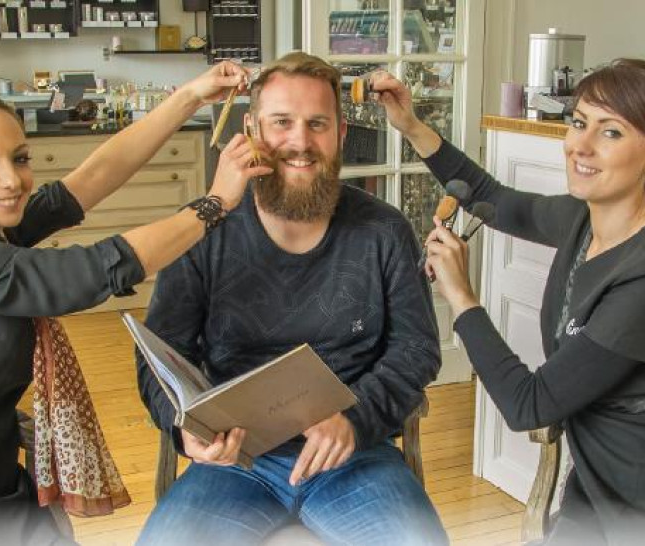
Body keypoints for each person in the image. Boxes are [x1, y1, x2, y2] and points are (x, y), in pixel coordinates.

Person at [0, 61, 272, 546]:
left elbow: (92, 177)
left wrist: (192, 97)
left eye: (20, 158)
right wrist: (214, 204)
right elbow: (86, 274)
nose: (11, 180)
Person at [373, 59, 645, 545]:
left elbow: (529, 405)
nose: (581, 145)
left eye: (611, 132)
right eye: (579, 123)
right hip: (600, 485)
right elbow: (492, 196)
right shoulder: (583, 219)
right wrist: (410, 125)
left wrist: (462, 297)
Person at [134, 52, 447, 546]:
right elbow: (161, 355)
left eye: (317, 124)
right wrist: (184, 429)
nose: (300, 142)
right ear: (252, 127)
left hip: (354, 455)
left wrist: (356, 419)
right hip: (234, 461)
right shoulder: (201, 230)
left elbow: (417, 349)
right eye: (282, 123)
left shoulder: (384, 231)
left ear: (341, 133)